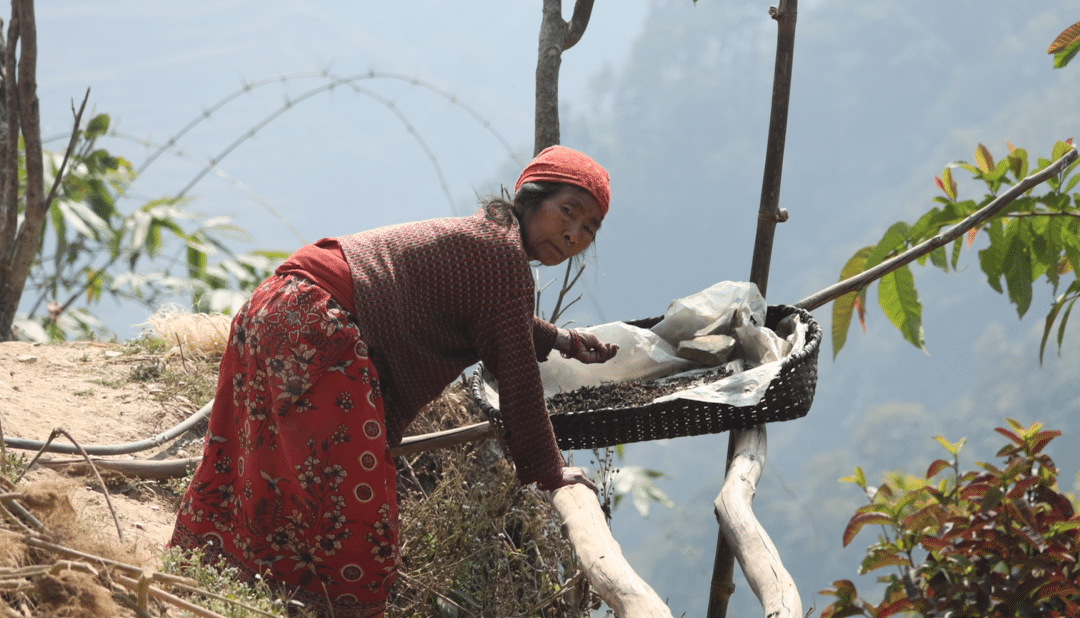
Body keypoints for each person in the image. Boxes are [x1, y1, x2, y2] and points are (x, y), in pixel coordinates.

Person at [168, 145, 620, 617]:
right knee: (352, 520)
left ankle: (203, 579)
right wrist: (550, 472)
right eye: (567, 212)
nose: (573, 234)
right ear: (529, 198)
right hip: (320, 326)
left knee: (260, 469)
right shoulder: (504, 261)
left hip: (279, 306)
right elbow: (518, 378)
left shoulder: (491, 237)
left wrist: (564, 341)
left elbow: (497, 317)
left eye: (588, 228)